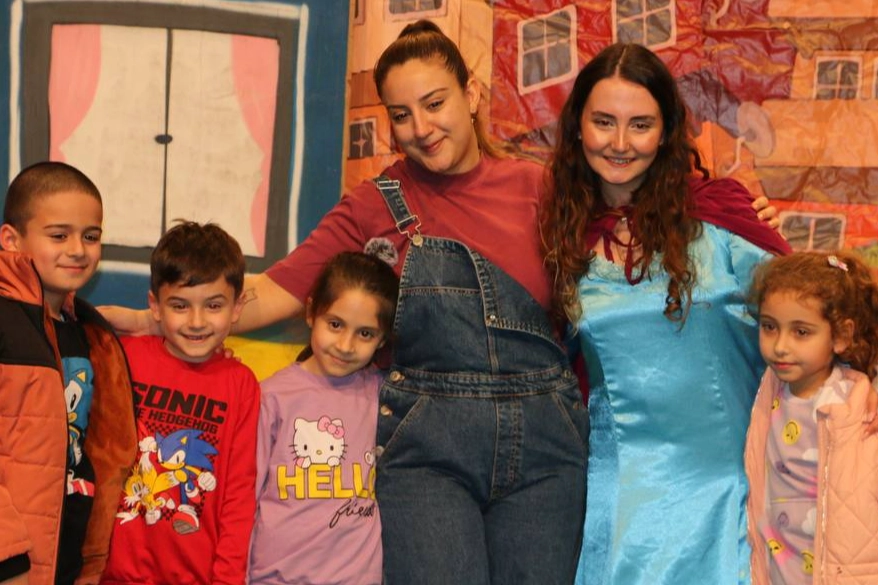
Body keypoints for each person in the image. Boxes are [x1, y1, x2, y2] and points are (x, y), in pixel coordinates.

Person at [99, 23, 780, 585]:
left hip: (546, 449)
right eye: (401, 114)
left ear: (471, 94)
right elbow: (273, 292)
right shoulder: (374, 205)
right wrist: (156, 317)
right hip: (427, 447)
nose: (421, 127)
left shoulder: (544, 190)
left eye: (434, 103)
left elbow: (634, 214)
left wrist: (731, 214)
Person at [539, 43, 792, 585]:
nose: (620, 143)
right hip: (623, 505)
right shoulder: (559, 239)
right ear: (577, 126)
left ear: (666, 131)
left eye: (640, 124)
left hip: (733, 491)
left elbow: (806, 314)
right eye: (603, 122)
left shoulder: (723, 215)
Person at [99, 221, 259, 585]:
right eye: (180, 306)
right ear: (155, 306)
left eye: (213, 305)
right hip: (112, 574)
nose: (197, 322)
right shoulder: (124, 357)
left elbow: (238, 495)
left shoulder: (241, 384)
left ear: (237, 307)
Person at [0, 161, 137, 585]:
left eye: (91, 236)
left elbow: (101, 455)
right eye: (59, 235)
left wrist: (91, 563)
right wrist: (8, 557)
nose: (78, 249)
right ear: (11, 240)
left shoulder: (92, 335)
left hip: (68, 562)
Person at [249, 251, 398, 585]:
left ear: (382, 340)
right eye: (335, 324)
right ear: (310, 312)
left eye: (365, 334)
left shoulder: (383, 396)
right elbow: (244, 500)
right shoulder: (272, 397)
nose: (345, 345)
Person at [744, 251, 878, 585]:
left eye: (801, 332)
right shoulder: (769, 388)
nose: (780, 346)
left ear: (841, 336)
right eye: (769, 327)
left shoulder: (857, 407)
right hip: (778, 569)